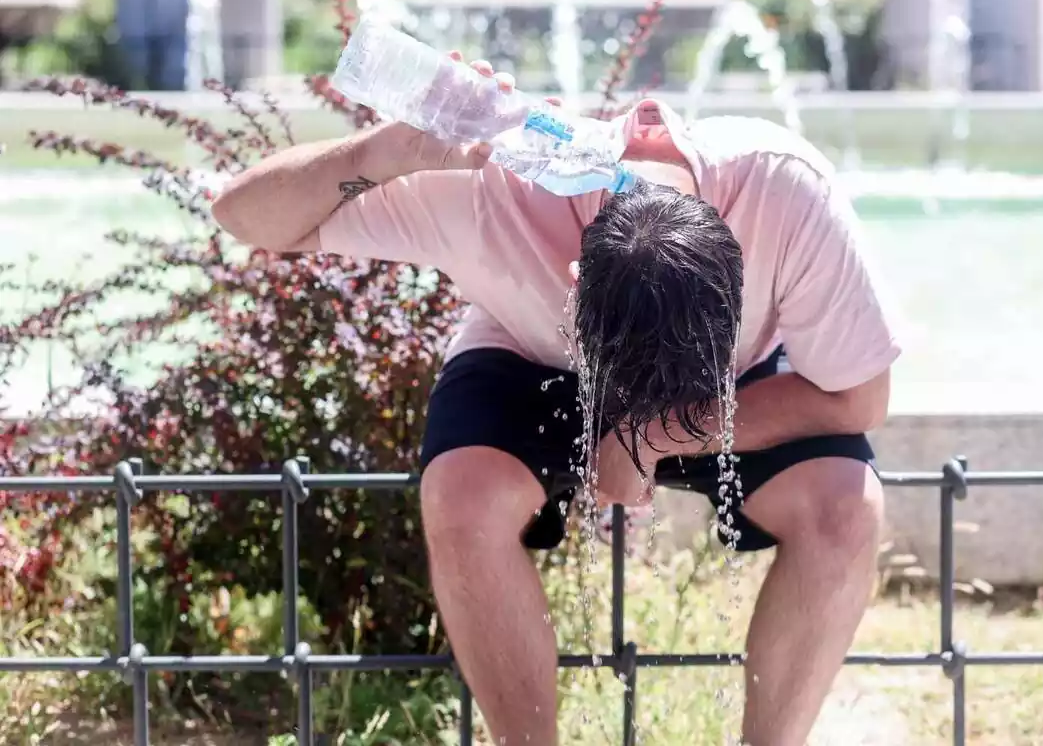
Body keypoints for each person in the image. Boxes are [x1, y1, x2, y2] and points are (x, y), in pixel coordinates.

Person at [212, 53, 900, 746]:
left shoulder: (788, 193)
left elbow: (857, 402)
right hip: (532, 357)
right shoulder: (497, 188)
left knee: (845, 506)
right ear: (575, 284)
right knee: (462, 495)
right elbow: (243, 216)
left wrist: (653, 434)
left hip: (729, 386)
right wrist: (385, 150)